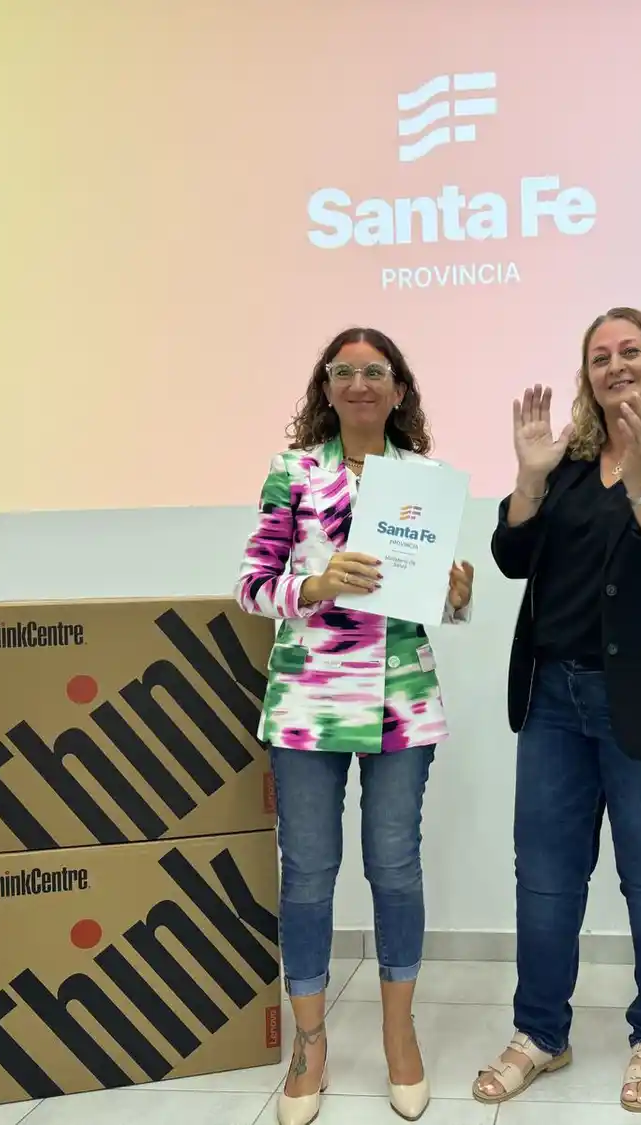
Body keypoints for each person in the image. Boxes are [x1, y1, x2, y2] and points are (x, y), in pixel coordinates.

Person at [474, 308, 641, 1113]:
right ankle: (540, 1033)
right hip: (556, 696)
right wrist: (527, 477)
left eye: (632, 351)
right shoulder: (567, 463)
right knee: (546, 879)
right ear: (586, 374)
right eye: (600, 356)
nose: (616, 365)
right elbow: (512, 559)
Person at [235, 326, 474, 1125]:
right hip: (308, 701)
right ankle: (309, 1045)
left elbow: (437, 606)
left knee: (395, 868)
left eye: (377, 371)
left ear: (399, 389)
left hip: (401, 700)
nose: (362, 383)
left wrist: (456, 591)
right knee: (306, 873)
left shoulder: (427, 480)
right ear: (327, 387)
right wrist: (313, 581)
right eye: (346, 371)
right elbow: (252, 585)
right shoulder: (294, 471)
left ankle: (398, 1033)